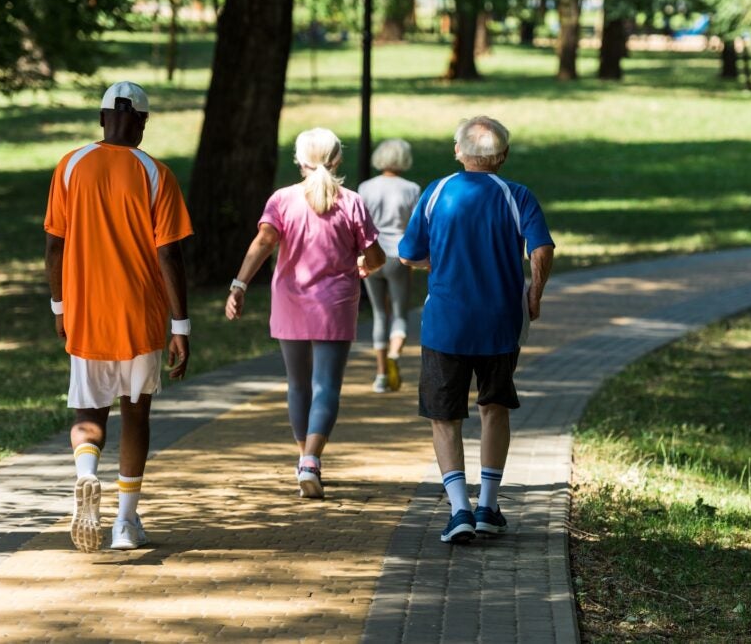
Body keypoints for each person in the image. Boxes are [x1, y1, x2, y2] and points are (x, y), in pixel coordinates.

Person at [44, 81, 194, 552]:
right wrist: (181, 325)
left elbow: (54, 245)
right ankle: (125, 524)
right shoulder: (156, 173)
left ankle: (86, 474)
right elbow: (169, 254)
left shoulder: (70, 166)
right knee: (136, 413)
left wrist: (59, 306)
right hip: (141, 317)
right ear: (142, 123)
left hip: (86, 313)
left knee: (89, 411)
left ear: (101, 118)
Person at [399, 116, 555, 543]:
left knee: (444, 417)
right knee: (494, 408)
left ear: (457, 151)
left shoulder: (436, 192)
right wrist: (535, 296)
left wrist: (435, 263)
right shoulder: (517, 195)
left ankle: (459, 510)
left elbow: (410, 253)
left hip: (445, 324)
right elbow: (541, 248)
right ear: (502, 156)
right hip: (501, 322)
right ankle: (488, 504)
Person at [225, 128, 385, 499]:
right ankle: (310, 461)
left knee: (298, 384)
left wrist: (239, 284)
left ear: (299, 161)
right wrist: (366, 265)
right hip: (336, 304)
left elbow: (264, 242)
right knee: (326, 385)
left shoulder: (282, 200)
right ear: (338, 159)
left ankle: (305, 460)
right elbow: (376, 256)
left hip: (291, 302)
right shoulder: (351, 202)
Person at [357, 139, 421, 393]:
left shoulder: (365, 187)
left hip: (372, 255)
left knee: (379, 314)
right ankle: (395, 353)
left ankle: (381, 373)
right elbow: (416, 227)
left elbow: (358, 223)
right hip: (398, 256)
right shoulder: (411, 189)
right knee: (399, 312)